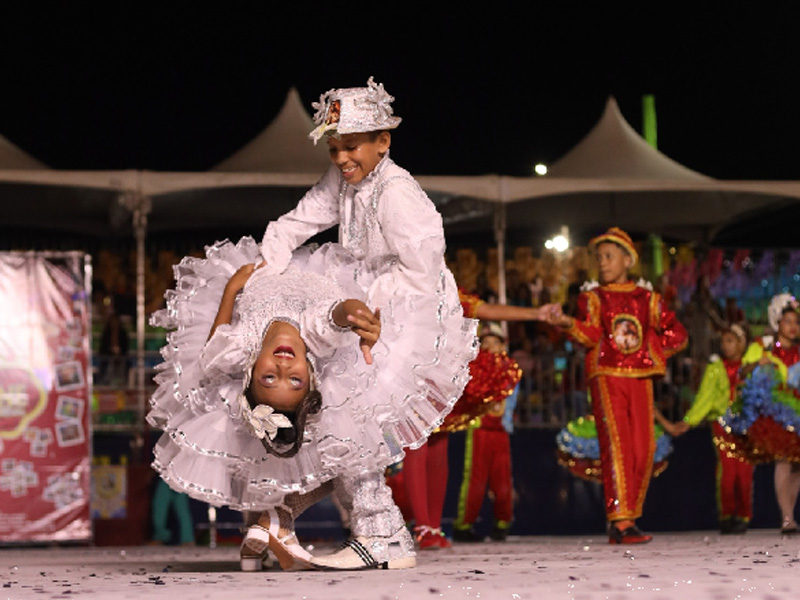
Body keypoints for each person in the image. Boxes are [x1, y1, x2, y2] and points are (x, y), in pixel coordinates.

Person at [253, 77, 479, 569]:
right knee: (319, 407)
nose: (340, 159)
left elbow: (422, 269)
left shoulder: (397, 191)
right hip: (356, 299)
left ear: (384, 142)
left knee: (346, 412)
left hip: (403, 311)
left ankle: (383, 534)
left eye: (351, 147)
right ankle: (285, 512)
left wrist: (362, 306)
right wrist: (267, 267)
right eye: (333, 149)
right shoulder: (344, 180)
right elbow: (301, 219)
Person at [148, 237, 476, 572]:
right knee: (349, 433)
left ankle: (274, 520)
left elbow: (210, 352)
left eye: (269, 380)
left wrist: (232, 289)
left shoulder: (240, 344)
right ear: (310, 372)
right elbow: (339, 313)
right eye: (295, 380)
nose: (282, 368)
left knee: (339, 439)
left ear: (250, 371)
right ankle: (381, 533)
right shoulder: (314, 332)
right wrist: (359, 316)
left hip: (280, 265)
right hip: (339, 296)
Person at [547, 227, 688, 544]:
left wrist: (647, 350)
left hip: (639, 378)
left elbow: (678, 335)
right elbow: (591, 336)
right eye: (599, 258)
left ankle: (629, 517)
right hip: (607, 376)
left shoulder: (648, 300)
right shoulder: (593, 298)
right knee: (617, 445)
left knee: (644, 448)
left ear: (628, 260)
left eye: (609, 256)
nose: (603, 263)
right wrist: (569, 323)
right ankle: (620, 520)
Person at [402, 292, 550, 550]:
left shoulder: (445, 287)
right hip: (409, 369)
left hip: (440, 372)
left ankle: (433, 527)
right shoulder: (403, 286)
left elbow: (487, 309)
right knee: (417, 441)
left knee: (439, 440)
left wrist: (536, 313)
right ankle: (422, 526)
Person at [674, 324, 753, 534]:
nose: (726, 346)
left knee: (744, 473)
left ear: (741, 343)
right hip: (721, 423)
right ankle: (727, 516)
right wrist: (689, 420)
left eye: (730, 341)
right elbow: (705, 398)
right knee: (727, 471)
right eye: (724, 342)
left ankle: (743, 516)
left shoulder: (751, 367)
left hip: (746, 426)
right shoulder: (715, 369)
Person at [732, 293, 800, 535]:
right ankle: (787, 517)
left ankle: (790, 512)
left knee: (798, 465)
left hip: (798, 411)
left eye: (796, 322)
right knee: (783, 459)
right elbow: (742, 371)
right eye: (788, 321)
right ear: (777, 322)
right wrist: (758, 364)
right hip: (776, 411)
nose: (793, 327)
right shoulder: (763, 345)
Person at [452, 321, 520, 543]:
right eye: (486, 342)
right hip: (479, 429)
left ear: (503, 345)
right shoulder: (474, 368)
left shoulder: (510, 370)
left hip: (500, 431)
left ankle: (502, 523)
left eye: (495, 342)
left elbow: (511, 402)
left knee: (502, 481)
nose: (490, 347)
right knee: (475, 480)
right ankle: (464, 525)